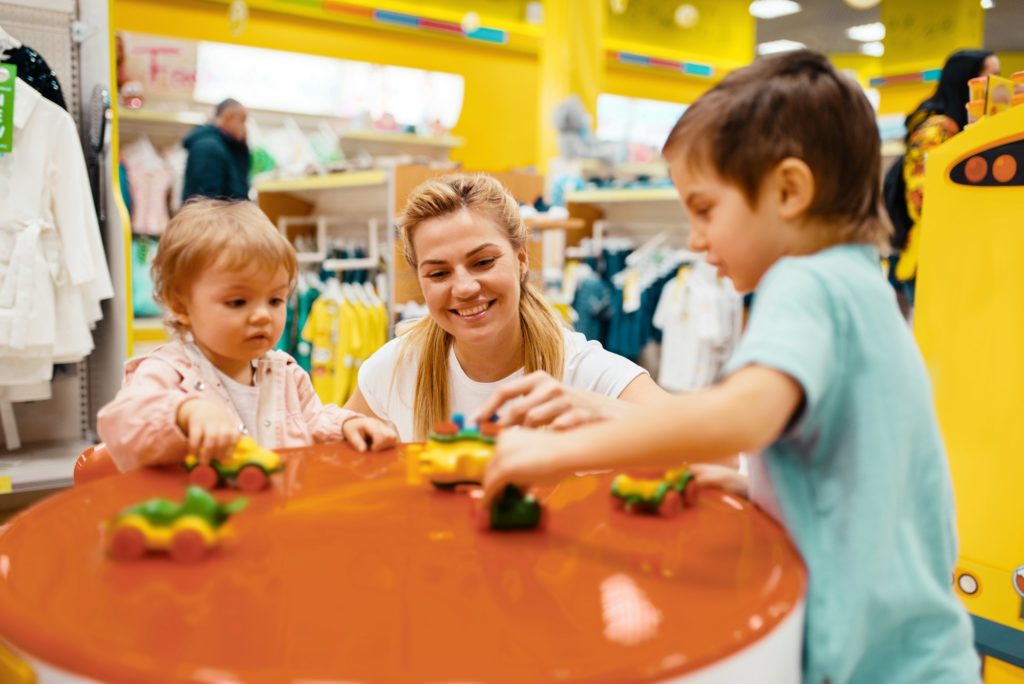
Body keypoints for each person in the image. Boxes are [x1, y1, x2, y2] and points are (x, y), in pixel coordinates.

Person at [483, 51, 979, 684]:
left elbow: (742, 416)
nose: (693, 239)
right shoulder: (859, 285)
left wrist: (554, 454)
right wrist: (761, 489)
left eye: (705, 210)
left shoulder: (806, 285)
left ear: (789, 191)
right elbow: (857, 466)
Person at [345, 173, 668, 442]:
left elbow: (696, 442)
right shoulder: (396, 366)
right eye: (439, 273)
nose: (465, 288)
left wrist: (595, 409)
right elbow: (336, 450)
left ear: (522, 259)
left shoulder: (584, 372)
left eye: (483, 262)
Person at [97, 199, 397, 471]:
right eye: (238, 302)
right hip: (201, 521)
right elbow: (121, 423)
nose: (263, 315)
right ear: (180, 306)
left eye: (276, 300)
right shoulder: (167, 371)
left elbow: (314, 420)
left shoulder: (286, 374)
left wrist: (348, 425)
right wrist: (184, 412)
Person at [887, 49, 999, 292]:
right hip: (932, 258)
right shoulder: (936, 131)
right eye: (991, 77)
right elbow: (922, 202)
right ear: (966, 81)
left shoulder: (972, 130)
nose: (999, 87)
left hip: (954, 256)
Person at [181, 98, 251, 203]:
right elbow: (203, 201)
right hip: (215, 218)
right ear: (228, 116)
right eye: (242, 120)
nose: (245, 127)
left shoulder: (227, 147)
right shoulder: (208, 148)